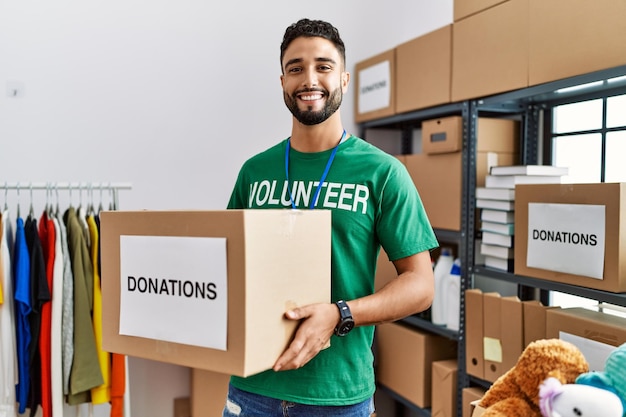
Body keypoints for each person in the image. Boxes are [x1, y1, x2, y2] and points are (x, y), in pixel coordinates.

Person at [224, 18, 438, 417]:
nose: (309, 79)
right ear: (283, 82)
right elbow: (227, 266)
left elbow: (421, 285)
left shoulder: (383, 172)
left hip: (336, 395)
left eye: (323, 66)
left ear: (343, 78)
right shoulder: (254, 171)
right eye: (295, 68)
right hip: (252, 387)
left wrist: (340, 314)